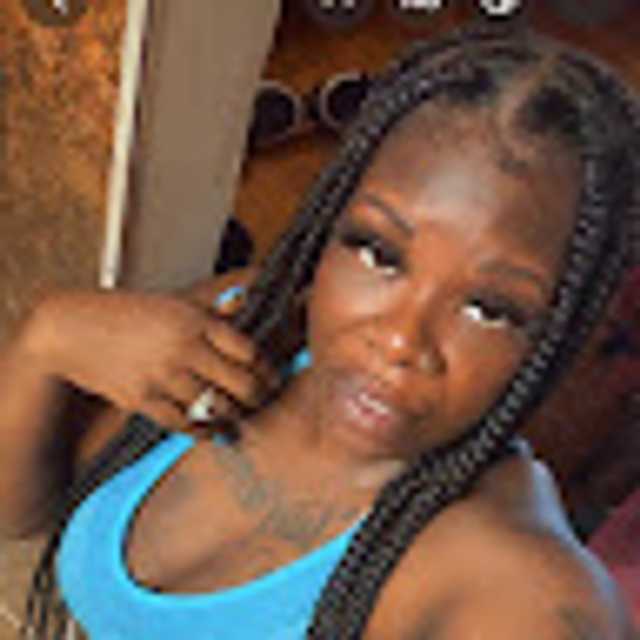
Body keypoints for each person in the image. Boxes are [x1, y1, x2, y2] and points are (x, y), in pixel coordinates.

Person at [0, 22, 638, 639]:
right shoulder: (236, 327)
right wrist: (48, 340)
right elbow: (19, 513)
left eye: (490, 309)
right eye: (379, 252)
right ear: (331, 218)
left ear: (556, 334)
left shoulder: (520, 592)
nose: (400, 341)